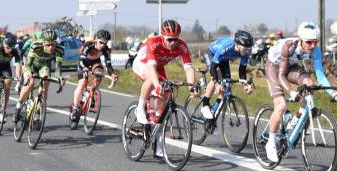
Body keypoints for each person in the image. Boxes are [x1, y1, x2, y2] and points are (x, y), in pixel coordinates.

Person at [263, 22, 337, 163]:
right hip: (274, 68)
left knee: (309, 84)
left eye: (315, 42)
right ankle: (271, 142)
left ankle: (293, 124)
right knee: (280, 106)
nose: (312, 46)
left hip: (291, 66)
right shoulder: (289, 46)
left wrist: (333, 93)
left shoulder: (316, 50)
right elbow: (281, 75)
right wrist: (292, 92)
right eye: (309, 42)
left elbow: (320, 75)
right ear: (300, 40)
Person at [132, 20, 199, 156]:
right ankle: (140, 107)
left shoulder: (182, 46)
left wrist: (192, 86)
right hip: (143, 62)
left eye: (175, 39)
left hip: (159, 66)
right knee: (153, 80)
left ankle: (156, 132)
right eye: (169, 40)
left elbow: (189, 69)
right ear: (163, 37)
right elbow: (151, 67)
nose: (173, 43)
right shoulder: (153, 42)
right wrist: (157, 85)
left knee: (166, 94)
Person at [199, 30, 254, 119]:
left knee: (226, 86)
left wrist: (245, 84)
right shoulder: (226, 47)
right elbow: (213, 68)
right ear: (237, 45)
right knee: (218, 74)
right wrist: (216, 84)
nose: (248, 51)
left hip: (224, 59)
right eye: (245, 49)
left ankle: (212, 116)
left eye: (249, 49)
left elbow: (242, 69)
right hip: (212, 54)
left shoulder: (246, 53)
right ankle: (205, 104)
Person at [69, 29, 118, 124]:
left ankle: (92, 91)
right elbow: (82, 59)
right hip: (84, 63)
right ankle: (75, 107)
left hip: (95, 62)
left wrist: (112, 74)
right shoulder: (89, 45)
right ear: (96, 39)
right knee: (82, 82)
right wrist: (85, 69)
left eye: (105, 43)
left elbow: (108, 64)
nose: (103, 45)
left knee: (99, 73)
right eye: (101, 42)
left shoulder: (105, 49)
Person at [17, 29, 65, 118]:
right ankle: (19, 105)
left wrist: (60, 77)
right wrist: (28, 72)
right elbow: (28, 64)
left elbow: (58, 69)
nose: (51, 48)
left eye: (53, 45)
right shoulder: (36, 46)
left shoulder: (59, 50)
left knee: (45, 84)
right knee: (30, 83)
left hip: (44, 66)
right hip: (32, 65)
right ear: (43, 43)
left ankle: (39, 111)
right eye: (48, 45)